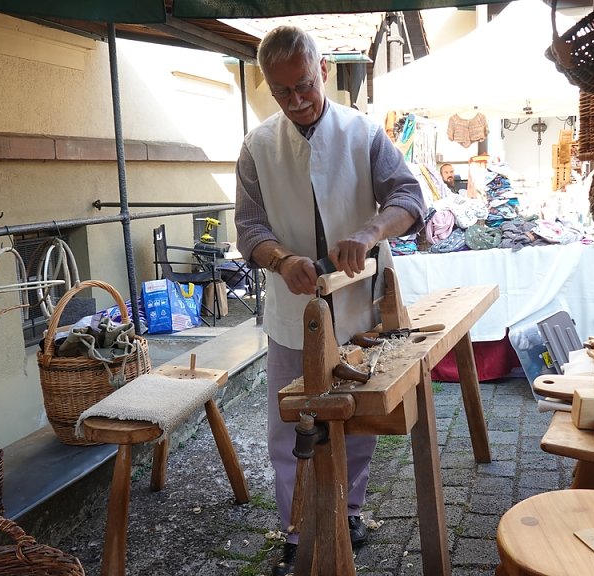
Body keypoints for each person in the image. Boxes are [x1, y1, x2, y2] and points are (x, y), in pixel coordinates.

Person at [234, 25, 426, 576]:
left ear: (323, 71)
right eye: (281, 91)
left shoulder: (362, 133)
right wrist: (280, 259)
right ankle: (299, 529)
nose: (295, 100)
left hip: (360, 305)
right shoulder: (257, 147)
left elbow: (409, 197)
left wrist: (369, 232)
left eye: (303, 85)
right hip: (293, 311)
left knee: (354, 418)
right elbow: (249, 229)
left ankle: (348, 512)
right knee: (291, 425)